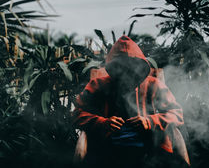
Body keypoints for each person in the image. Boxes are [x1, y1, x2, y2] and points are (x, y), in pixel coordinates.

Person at [73, 35, 190, 168]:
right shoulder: (98, 85)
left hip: (150, 149)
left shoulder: (153, 84)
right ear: (113, 68)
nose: (127, 73)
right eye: (121, 68)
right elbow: (77, 114)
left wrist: (149, 121)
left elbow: (176, 113)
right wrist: (103, 123)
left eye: (131, 67)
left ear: (139, 67)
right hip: (108, 150)